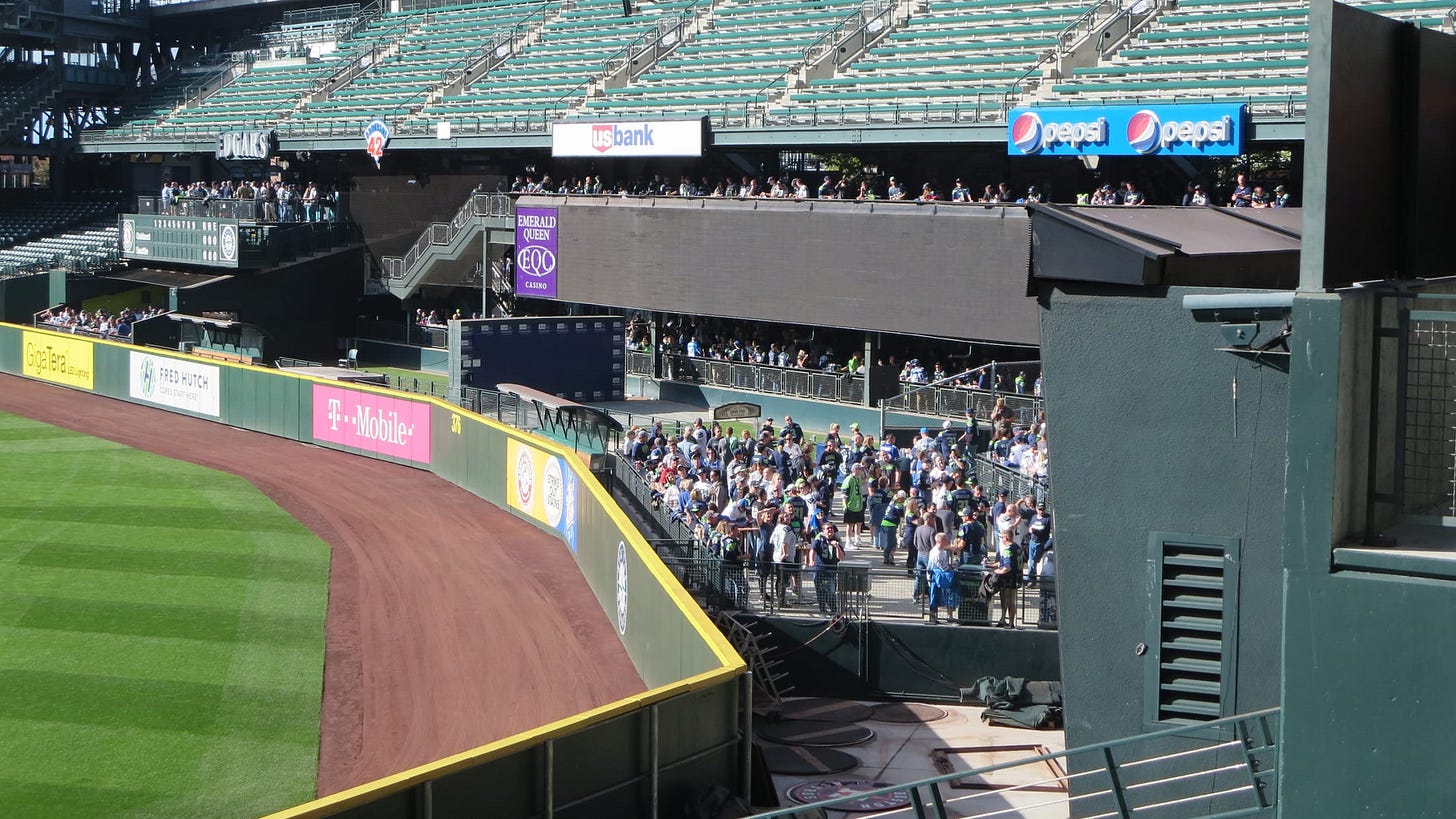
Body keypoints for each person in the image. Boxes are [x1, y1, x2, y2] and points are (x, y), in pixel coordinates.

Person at [809, 523, 845, 614]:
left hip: (831, 571)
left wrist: (836, 546)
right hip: (820, 570)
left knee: (831, 592)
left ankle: (834, 611)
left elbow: (841, 557)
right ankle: (823, 610)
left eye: (831, 529)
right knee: (821, 592)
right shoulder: (819, 539)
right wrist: (811, 560)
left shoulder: (837, 540)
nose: (830, 530)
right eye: (827, 529)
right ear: (823, 530)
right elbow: (813, 550)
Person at [927, 532, 960, 624]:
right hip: (936, 579)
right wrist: (952, 568)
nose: (948, 541)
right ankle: (933, 617)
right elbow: (942, 568)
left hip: (941, 577)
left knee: (940, 596)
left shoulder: (942, 551)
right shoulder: (936, 553)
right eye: (946, 539)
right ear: (941, 541)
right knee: (935, 597)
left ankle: (943, 616)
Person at [769, 510, 801, 605]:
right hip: (785, 558)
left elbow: (772, 541)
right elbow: (784, 542)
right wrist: (784, 554)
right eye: (786, 516)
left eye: (788, 516)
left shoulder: (777, 528)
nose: (789, 518)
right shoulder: (786, 528)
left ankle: (780, 599)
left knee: (779, 579)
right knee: (783, 580)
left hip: (777, 556)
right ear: (782, 518)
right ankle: (781, 601)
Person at [912, 512, 937, 604]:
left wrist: (919, 548)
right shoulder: (932, 530)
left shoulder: (918, 529)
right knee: (931, 576)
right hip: (928, 555)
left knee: (919, 576)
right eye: (932, 519)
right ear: (928, 519)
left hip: (920, 554)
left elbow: (914, 542)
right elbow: (933, 545)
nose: (934, 521)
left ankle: (915, 596)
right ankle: (932, 596)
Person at [1026, 502, 1053, 585]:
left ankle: (1030, 579)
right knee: (1031, 562)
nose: (1041, 511)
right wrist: (1030, 530)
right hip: (1032, 542)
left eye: (1043, 509)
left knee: (1033, 562)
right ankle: (1031, 580)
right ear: (1037, 509)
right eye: (1040, 509)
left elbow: (1051, 530)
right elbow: (1030, 526)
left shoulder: (1048, 518)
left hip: (1041, 543)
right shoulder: (1034, 517)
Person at [840, 463, 867, 546]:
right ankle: (848, 540)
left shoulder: (858, 478)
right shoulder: (849, 479)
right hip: (850, 504)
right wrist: (846, 505)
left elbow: (866, 480)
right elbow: (844, 493)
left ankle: (857, 538)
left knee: (859, 522)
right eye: (859, 469)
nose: (861, 471)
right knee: (850, 523)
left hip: (858, 504)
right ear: (855, 469)